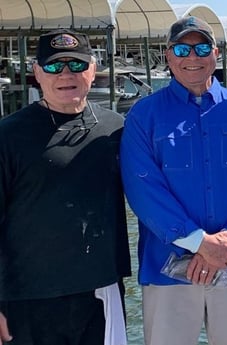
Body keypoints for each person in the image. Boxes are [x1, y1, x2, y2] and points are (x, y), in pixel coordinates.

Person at [120, 16, 227, 345]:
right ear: (168, 55)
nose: (192, 57)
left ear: (215, 53)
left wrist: (224, 244)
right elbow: (142, 189)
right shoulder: (142, 115)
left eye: (201, 47)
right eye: (182, 48)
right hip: (167, 268)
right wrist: (199, 243)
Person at [0, 29, 131, 344]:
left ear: (92, 69)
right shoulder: (8, 135)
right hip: (25, 300)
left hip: (99, 292)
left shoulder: (118, 129)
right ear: (37, 73)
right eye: (54, 66)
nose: (66, 74)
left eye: (76, 65)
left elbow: (155, 190)